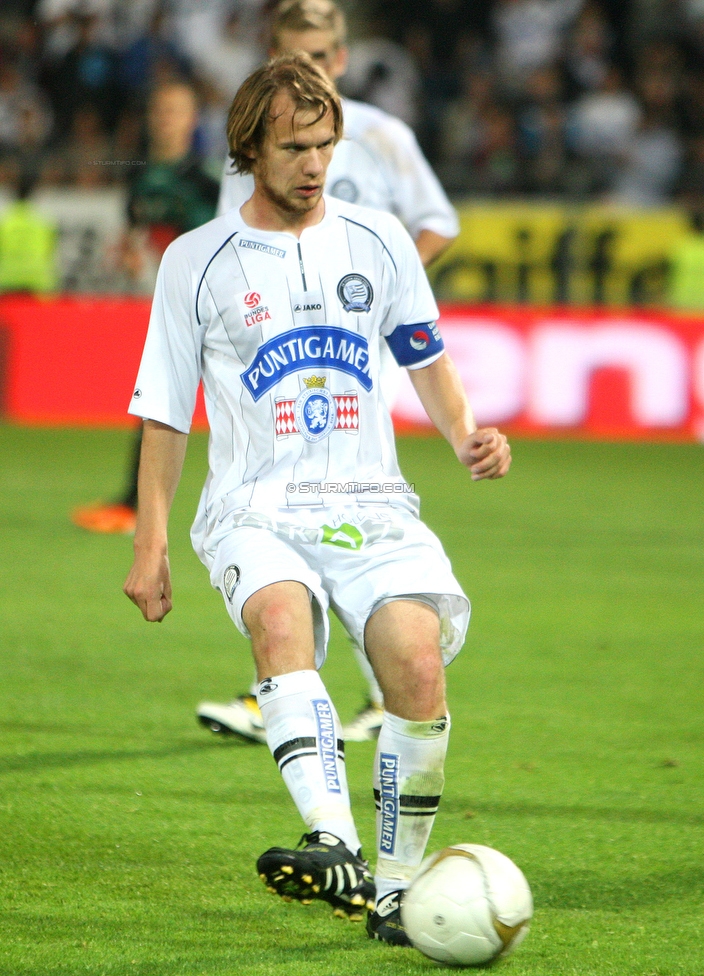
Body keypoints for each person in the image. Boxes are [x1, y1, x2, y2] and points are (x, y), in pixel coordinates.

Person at [123, 54, 511, 946]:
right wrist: (151, 547)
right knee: (280, 624)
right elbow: (163, 415)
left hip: (372, 501)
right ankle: (331, 840)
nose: (314, 164)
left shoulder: (376, 241)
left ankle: (397, 892)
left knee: (416, 664)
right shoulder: (197, 260)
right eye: (296, 146)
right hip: (256, 505)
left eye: (325, 145)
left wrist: (467, 437)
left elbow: (426, 357)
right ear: (250, 145)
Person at [197, 0, 461, 744]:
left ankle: (371, 692)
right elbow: (231, 238)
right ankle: (284, 687)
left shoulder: (382, 136)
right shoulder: (252, 146)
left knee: (350, 519)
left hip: (349, 351)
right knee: (282, 519)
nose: (306, 70)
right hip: (278, 351)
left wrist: (382, 288)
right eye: (292, 56)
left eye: (318, 57)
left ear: (340, 60)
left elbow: (438, 221)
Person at [71, 80, 219, 535]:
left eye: (175, 110)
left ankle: (138, 504)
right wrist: (133, 253)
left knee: (192, 397)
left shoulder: (208, 178)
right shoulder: (141, 174)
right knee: (158, 396)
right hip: (171, 303)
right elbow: (136, 230)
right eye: (159, 110)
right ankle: (134, 503)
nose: (165, 119)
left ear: (193, 119)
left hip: (215, 302)